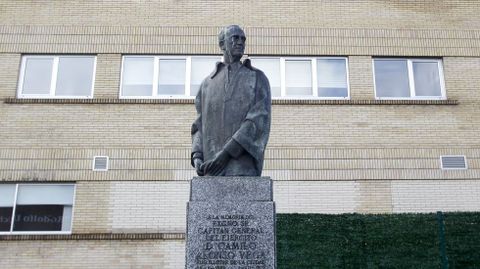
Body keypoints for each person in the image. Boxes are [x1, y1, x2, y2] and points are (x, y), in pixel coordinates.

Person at [191, 25, 271, 176]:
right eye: (235, 38)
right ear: (222, 44)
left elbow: (258, 120)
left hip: (242, 167)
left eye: (243, 39)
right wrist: (197, 155)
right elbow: (198, 125)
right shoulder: (207, 84)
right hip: (211, 168)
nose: (240, 42)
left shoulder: (257, 78)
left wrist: (227, 153)